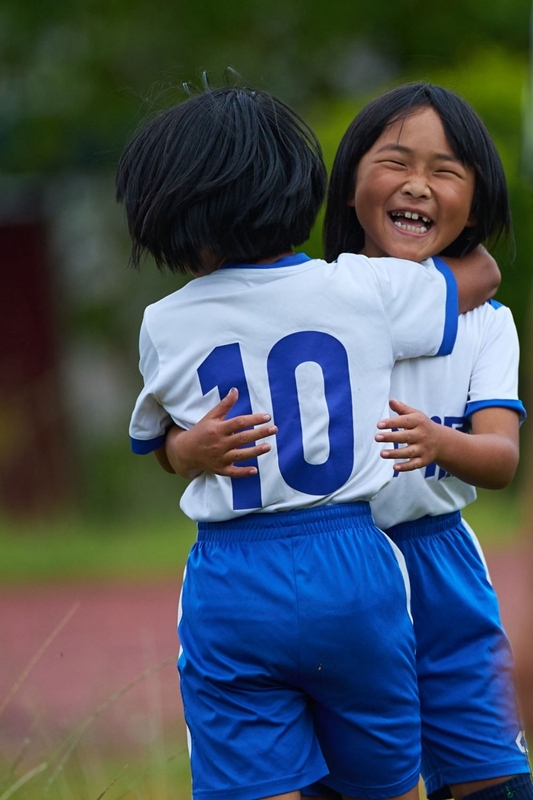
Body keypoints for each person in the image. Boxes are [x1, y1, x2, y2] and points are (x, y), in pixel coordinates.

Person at [120, 83, 497, 800]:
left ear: (168, 212)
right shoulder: (360, 288)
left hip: (236, 574)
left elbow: (159, 443)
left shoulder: (162, 322)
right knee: (384, 783)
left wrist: (185, 452)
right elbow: (480, 277)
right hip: (355, 566)